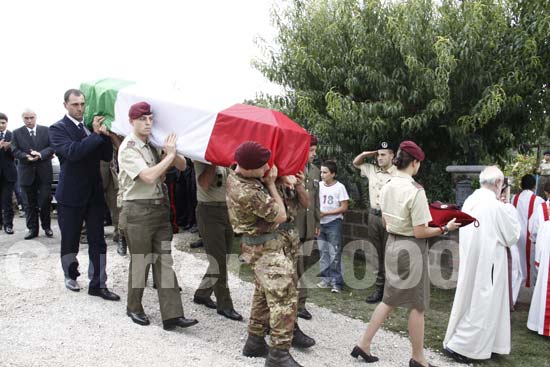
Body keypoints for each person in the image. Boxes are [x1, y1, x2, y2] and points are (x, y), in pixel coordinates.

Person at [352, 141, 460, 367]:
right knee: (417, 305)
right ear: (415, 162)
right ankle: (418, 358)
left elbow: (384, 219)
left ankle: (363, 344)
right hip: (410, 249)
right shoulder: (415, 190)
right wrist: (445, 228)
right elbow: (421, 231)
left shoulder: (388, 185)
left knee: (389, 299)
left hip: (393, 244)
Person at [118, 101, 197, 330]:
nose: (148, 123)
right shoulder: (129, 147)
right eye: (143, 119)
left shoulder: (153, 143)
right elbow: (149, 177)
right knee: (141, 262)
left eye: (150, 119)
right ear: (132, 121)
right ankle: (134, 307)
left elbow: (182, 166)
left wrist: (173, 152)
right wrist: (168, 156)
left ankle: (172, 315)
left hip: (159, 209)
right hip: (138, 210)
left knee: (164, 262)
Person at [226, 141, 302, 367]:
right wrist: (270, 185)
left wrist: (274, 178)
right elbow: (280, 215)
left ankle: (255, 341)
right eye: (262, 166)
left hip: (255, 246)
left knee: (262, 293)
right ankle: (279, 353)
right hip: (264, 248)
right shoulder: (248, 192)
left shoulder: (237, 175)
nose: (267, 167)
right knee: (284, 298)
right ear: (249, 168)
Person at [443, 166, 521, 363]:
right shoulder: (496, 206)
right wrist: (508, 207)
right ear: (498, 183)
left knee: (476, 300)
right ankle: (462, 345)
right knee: (483, 304)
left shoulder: (471, 200)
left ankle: (490, 344)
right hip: (490, 261)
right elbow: (511, 235)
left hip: (473, 257)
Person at [49, 89, 119, 301]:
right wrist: (96, 135)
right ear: (65, 105)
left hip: (95, 194)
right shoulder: (57, 128)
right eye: (75, 105)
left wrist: (105, 136)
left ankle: (98, 284)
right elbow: (73, 152)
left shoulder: (91, 128)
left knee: (98, 241)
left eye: (82, 104)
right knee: (70, 240)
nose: (80, 109)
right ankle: (70, 274)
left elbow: (106, 155)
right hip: (70, 195)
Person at [192, 160, 243, 321]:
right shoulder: (200, 158)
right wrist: (213, 162)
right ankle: (225, 304)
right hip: (208, 210)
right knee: (218, 260)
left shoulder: (225, 160)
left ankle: (202, 293)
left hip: (225, 209)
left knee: (223, 257)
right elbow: (204, 184)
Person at [353, 141, 397, 303]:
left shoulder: (398, 173)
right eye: (378, 155)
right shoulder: (371, 170)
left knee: (390, 253)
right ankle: (379, 288)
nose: (379, 158)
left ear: (392, 156)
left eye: (383, 154)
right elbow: (356, 163)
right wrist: (367, 154)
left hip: (390, 217)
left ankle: (391, 290)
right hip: (374, 217)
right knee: (376, 253)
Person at [12, 109, 55, 239]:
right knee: (29, 203)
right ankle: (32, 229)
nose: (29, 120)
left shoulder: (46, 130)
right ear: (22, 118)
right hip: (26, 172)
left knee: (45, 201)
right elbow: (14, 150)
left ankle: (47, 227)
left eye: (31, 117)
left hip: (43, 172)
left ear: (36, 117)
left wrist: (40, 154)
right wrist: (26, 156)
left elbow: (52, 146)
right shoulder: (16, 133)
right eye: (26, 118)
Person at [294, 135, 320, 320]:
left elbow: (316, 199)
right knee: (295, 264)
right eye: (310, 150)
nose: (313, 154)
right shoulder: (293, 168)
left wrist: (317, 222)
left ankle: (298, 299)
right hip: (295, 223)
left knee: (304, 262)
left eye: (315, 151)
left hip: (310, 224)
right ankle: (299, 302)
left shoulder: (316, 171)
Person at [317, 160, 349, 293]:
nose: (322, 175)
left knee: (334, 252)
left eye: (325, 172)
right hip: (320, 223)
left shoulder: (339, 187)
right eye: (321, 172)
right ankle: (326, 279)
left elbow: (344, 207)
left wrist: (326, 213)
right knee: (323, 251)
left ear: (333, 174)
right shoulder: (318, 185)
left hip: (333, 223)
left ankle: (337, 282)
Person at [511, 174, 544, 295]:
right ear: (534, 185)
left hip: (516, 235)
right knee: (532, 263)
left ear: (521, 185)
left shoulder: (514, 198)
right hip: (530, 236)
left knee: (517, 264)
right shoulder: (538, 200)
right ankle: (533, 294)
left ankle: (514, 293)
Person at [527, 181, 550, 337]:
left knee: (544, 288)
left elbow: (532, 229)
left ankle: (541, 325)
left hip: (546, 253)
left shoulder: (541, 210)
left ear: (547, 193)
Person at [99, 134, 126, 255]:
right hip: (96, 172)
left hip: (112, 171)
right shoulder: (87, 126)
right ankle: (88, 233)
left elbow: (122, 148)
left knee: (117, 205)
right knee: (93, 204)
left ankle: (120, 234)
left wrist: (111, 134)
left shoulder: (115, 128)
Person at [0, 112, 16, 234]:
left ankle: (8, 225)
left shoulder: (12, 135)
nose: (1, 125)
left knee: (7, 200)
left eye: (3, 123)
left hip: (8, 174)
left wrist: (8, 147)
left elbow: (17, 154)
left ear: (6, 123)